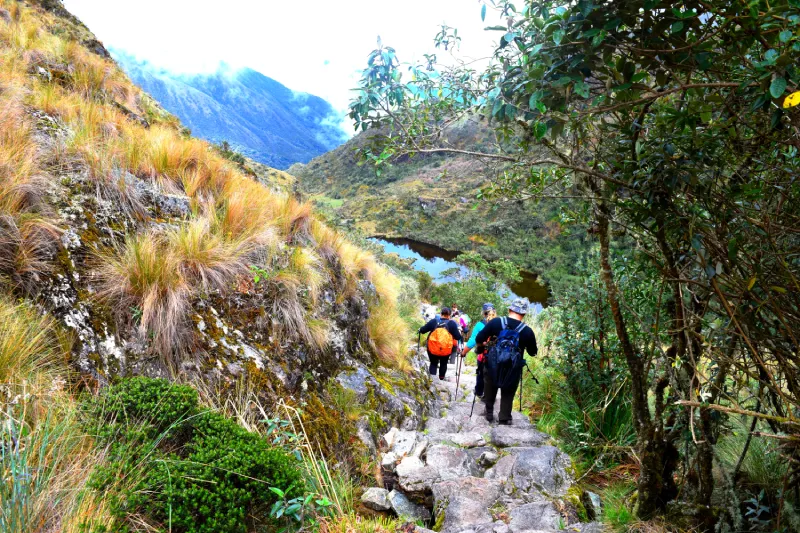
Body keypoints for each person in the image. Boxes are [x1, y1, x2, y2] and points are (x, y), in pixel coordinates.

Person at [475, 298, 537, 425]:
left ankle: (489, 412)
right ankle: (504, 417)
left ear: (509, 310)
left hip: (492, 363)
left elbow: (479, 338)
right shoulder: (527, 331)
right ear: (524, 314)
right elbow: (533, 352)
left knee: (490, 382)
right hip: (512, 367)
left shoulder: (496, 322)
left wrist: (485, 344)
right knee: (509, 389)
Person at [461, 303, 497, 399]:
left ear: (483, 313)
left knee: (481, 374)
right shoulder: (501, 323)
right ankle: (489, 395)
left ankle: (479, 392)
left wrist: (464, 352)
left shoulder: (480, 324)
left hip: (484, 356)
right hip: (497, 357)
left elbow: (473, 341)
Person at [419, 307, 462, 380]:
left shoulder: (434, 321)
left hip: (432, 348)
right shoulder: (452, 323)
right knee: (444, 363)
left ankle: (432, 379)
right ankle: (441, 378)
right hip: (445, 349)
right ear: (450, 315)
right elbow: (458, 337)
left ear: (441, 314)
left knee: (433, 363)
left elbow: (423, 330)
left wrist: (420, 329)